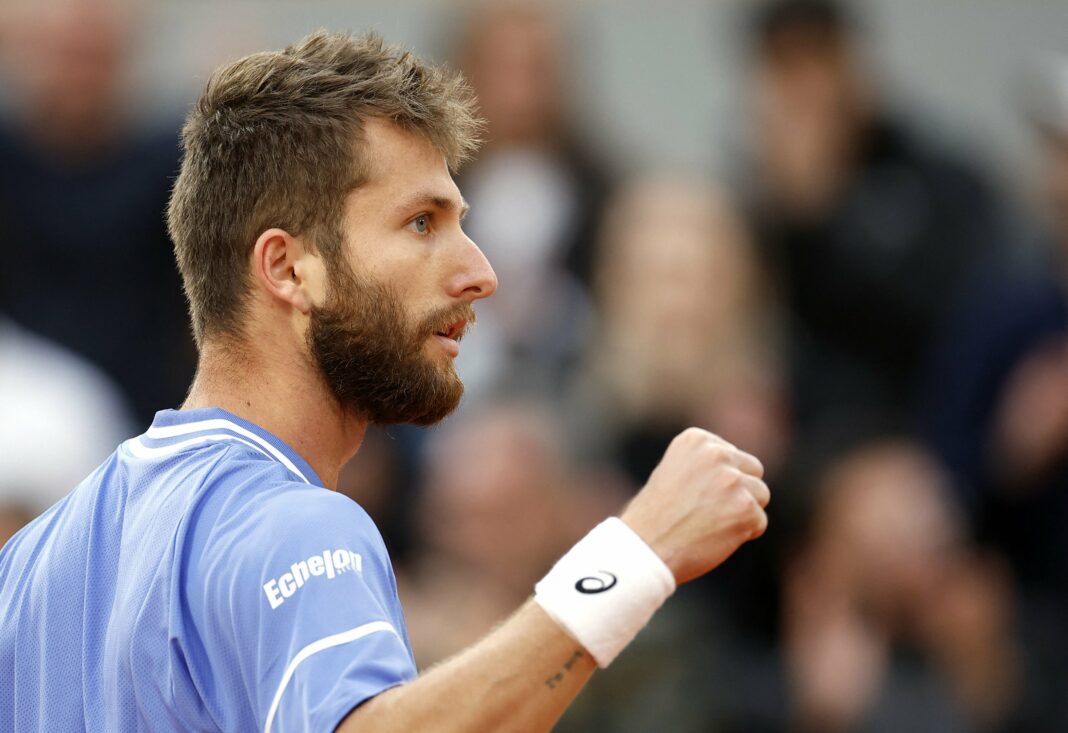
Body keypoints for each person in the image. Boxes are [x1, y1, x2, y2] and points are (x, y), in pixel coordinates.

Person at [0, 31, 770, 732]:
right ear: (288, 267)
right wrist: (635, 555)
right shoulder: (291, 522)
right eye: (423, 223)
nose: (481, 272)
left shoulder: (28, 564)